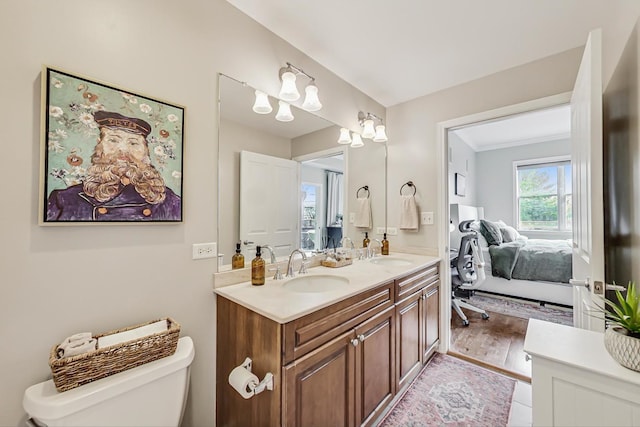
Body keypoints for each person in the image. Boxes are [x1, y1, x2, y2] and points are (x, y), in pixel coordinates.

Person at [46, 111, 181, 221]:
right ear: (99, 145)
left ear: (146, 151)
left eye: (133, 143)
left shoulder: (170, 201)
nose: (123, 150)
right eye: (113, 140)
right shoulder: (65, 199)